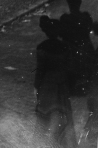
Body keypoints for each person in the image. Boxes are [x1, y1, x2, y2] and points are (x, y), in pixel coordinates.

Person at [35, 16, 76, 146]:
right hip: (61, 85)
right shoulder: (65, 47)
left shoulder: (42, 47)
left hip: (47, 85)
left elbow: (40, 69)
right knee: (63, 116)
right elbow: (70, 69)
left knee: (44, 117)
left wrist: (36, 87)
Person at [59, 0, 95, 94]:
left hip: (72, 47)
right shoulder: (85, 16)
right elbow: (89, 29)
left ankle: (71, 84)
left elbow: (61, 34)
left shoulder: (65, 18)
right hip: (84, 46)